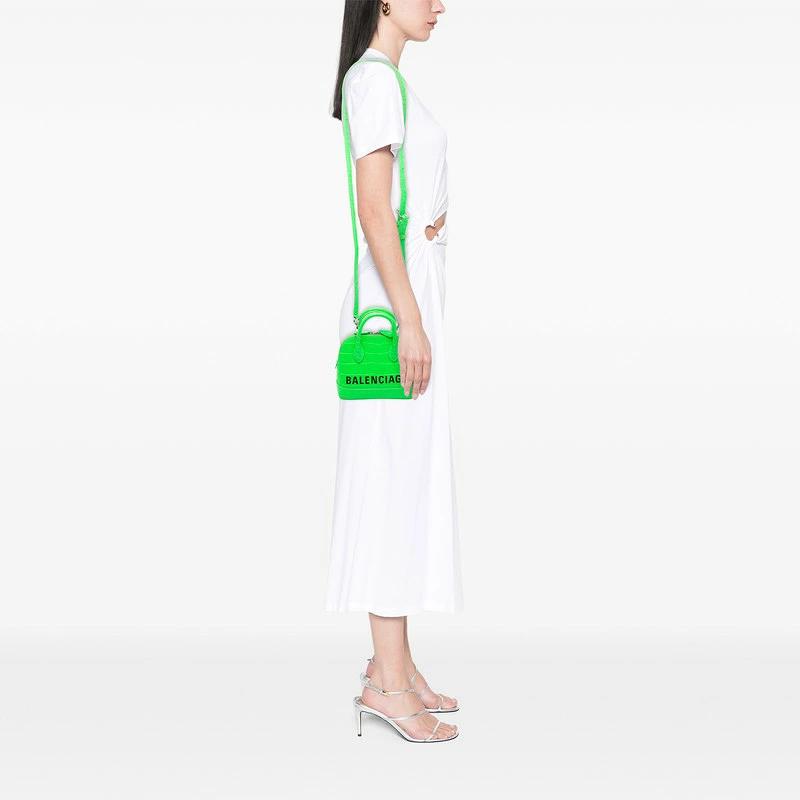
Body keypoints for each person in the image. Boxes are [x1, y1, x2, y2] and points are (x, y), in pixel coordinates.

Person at [327, 1, 462, 743]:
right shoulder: (374, 80)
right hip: (395, 315)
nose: (439, 5)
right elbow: (375, 211)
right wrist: (410, 319)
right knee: (388, 486)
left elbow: (404, 203)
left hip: (410, 299)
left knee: (403, 482)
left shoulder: (387, 80)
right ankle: (385, 684)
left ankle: (397, 667)